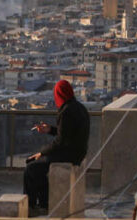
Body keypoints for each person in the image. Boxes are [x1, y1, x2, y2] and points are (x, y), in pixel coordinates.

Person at [23, 79, 90, 216]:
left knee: (31, 167)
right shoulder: (79, 107)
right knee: (38, 167)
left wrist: (41, 153)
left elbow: (60, 141)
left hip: (69, 154)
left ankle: (32, 206)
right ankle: (43, 203)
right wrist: (50, 130)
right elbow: (66, 134)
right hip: (77, 152)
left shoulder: (66, 111)